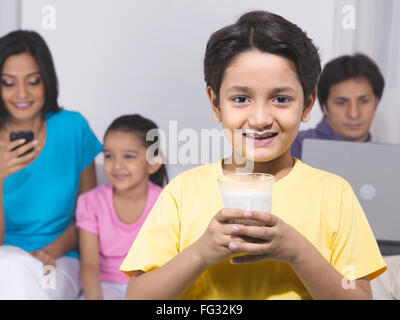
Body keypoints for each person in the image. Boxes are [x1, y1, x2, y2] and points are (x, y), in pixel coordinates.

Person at [120, 11, 386, 300]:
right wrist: (200, 253)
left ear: (308, 105)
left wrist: (298, 252)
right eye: (241, 99)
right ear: (215, 103)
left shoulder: (334, 194)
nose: (260, 118)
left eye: (281, 99)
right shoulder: (182, 193)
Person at [0, 30, 102, 299]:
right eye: (8, 83)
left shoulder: (72, 128)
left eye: (33, 81)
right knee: (11, 267)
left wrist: (50, 251)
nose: (21, 93)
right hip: (4, 258)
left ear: (47, 80)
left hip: (57, 259)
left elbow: (88, 216)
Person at [77, 114, 167, 300]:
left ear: (153, 163)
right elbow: (89, 264)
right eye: (109, 156)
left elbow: (167, 264)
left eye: (128, 156)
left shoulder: (165, 202)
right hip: (104, 288)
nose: (117, 165)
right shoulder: (90, 202)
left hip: (149, 288)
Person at [291, 53, 385, 159]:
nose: (354, 114)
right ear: (324, 106)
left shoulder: (387, 158)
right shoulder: (293, 146)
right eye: (341, 102)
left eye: (364, 101)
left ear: (376, 103)